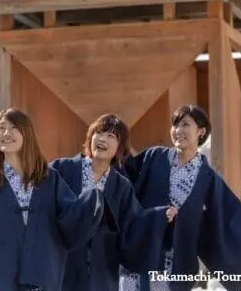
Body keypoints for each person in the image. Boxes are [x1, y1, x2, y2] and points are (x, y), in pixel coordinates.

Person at [0, 107, 110, 291]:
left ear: (26, 133)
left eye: (14, 127)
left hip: (43, 278)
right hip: (1, 279)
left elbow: (70, 219)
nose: (6, 133)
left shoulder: (50, 179)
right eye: (1, 127)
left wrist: (93, 201)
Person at [118, 104, 241, 291]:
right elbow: (124, 175)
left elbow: (229, 214)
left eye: (185, 125)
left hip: (176, 263)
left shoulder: (207, 178)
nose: (178, 131)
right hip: (141, 253)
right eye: (175, 125)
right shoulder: (155, 157)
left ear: (201, 132)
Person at [51, 114, 176, 291]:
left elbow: (134, 223)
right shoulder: (61, 169)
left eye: (111, 136)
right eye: (99, 133)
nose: (102, 138)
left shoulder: (121, 186)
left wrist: (159, 216)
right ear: (90, 137)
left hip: (102, 271)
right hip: (63, 268)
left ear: (119, 147)